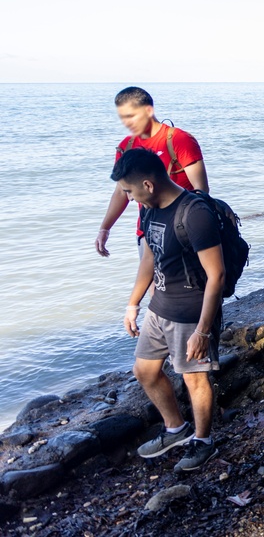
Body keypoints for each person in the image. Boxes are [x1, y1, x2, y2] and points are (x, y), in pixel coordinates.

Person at [114, 148, 223, 472]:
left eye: (130, 192)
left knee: (194, 378)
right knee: (144, 371)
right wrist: (133, 304)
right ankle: (176, 428)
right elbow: (149, 260)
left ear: (148, 184)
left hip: (191, 312)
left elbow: (217, 274)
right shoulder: (149, 210)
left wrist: (203, 330)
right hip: (159, 308)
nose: (130, 199)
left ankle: (203, 442)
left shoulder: (194, 213)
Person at [96, 87, 209, 257]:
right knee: (151, 282)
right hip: (147, 230)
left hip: (181, 229)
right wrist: (105, 228)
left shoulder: (180, 140)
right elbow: (121, 191)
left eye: (131, 116)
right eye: (123, 117)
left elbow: (201, 190)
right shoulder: (125, 147)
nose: (127, 122)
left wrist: (191, 226)